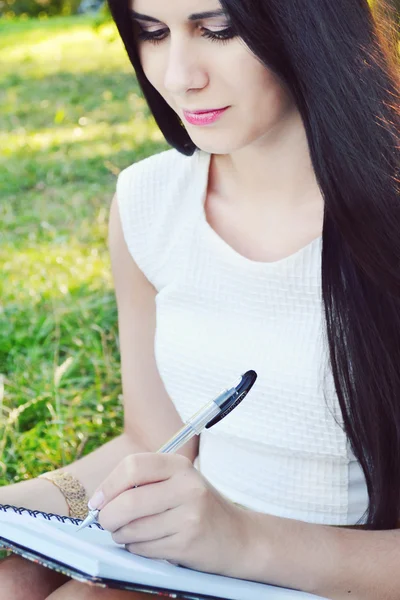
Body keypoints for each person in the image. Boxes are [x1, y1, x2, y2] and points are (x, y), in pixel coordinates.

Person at [1, 0, 399, 598]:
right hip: (191, 555)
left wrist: (242, 540)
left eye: (219, 29)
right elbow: (151, 442)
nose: (179, 75)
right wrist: (15, 510)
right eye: (152, 34)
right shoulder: (148, 202)